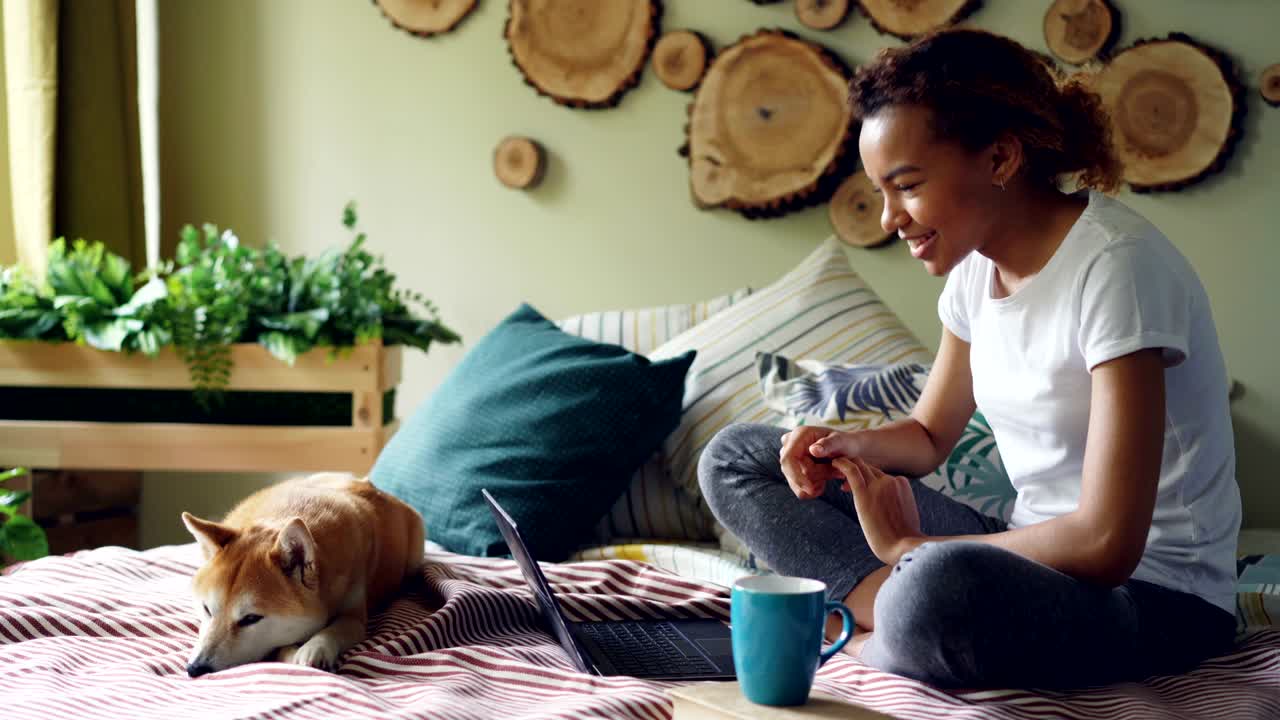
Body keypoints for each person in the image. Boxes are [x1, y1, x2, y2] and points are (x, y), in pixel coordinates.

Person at [697, 28, 1241, 690]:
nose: (889, 218)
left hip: (1154, 597)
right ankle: (888, 615)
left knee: (938, 588)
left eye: (908, 185)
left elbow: (1106, 545)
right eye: (881, 191)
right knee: (737, 457)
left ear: (1001, 158)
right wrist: (841, 444)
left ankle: (893, 613)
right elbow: (928, 438)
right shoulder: (972, 269)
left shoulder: (1116, 269)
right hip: (1028, 550)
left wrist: (910, 550)